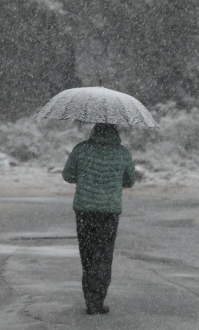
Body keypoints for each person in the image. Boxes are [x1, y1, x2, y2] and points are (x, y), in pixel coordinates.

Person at [62, 122, 135, 315]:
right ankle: (98, 299)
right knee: (103, 256)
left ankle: (90, 299)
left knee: (87, 254)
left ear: (94, 131)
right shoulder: (122, 153)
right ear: (115, 133)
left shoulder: (81, 149)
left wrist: (86, 175)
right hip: (109, 212)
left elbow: (68, 176)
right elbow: (130, 181)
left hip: (85, 211)